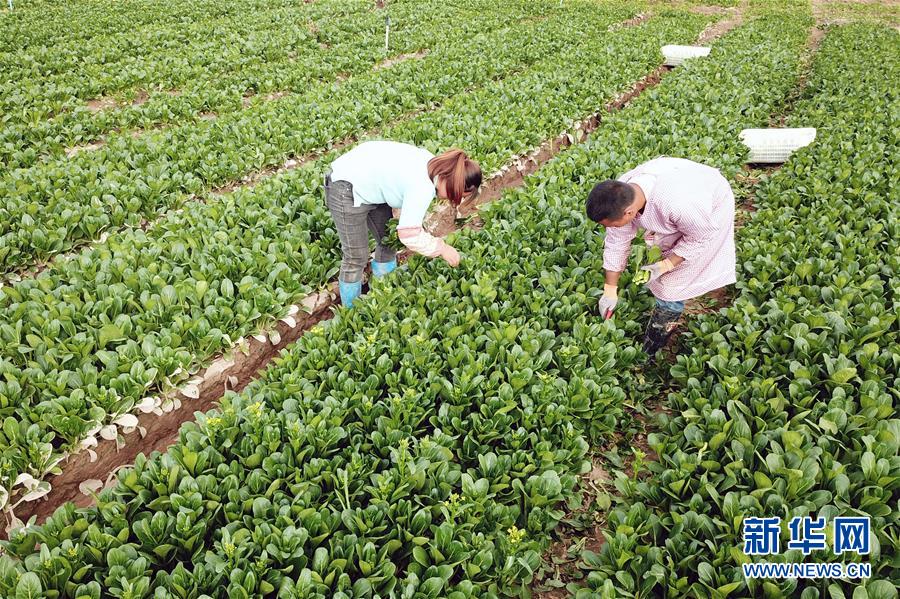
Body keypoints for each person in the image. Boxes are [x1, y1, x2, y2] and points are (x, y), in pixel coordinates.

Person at [585, 156, 736, 357]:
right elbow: (616, 242)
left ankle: (652, 346)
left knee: (671, 285)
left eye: (609, 224)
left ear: (629, 213)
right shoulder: (623, 194)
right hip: (683, 188)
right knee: (666, 247)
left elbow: (701, 237)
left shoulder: (679, 204)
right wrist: (610, 290)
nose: (607, 229)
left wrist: (666, 265)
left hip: (710, 203)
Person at [324, 141, 482, 307]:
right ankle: (351, 312)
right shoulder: (423, 186)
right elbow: (409, 235)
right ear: (450, 180)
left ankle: (383, 294)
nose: (449, 198)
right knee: (356, 256)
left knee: (387, 241)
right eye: (454, 193)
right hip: (345, 185)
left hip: (370, 183)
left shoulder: (433, 167)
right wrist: (442, 248)